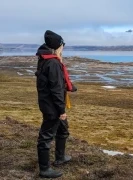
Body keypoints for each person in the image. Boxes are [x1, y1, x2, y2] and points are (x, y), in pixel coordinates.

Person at [35, 30, 77, 178]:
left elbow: (52, 83)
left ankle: (60, 157)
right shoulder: (53, 63)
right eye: (62, 46)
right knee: (45, 137)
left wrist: (68, 86)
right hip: (52, 107)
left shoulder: (47, 59)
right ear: (57, 47)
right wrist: (61, 110)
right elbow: (55, 90)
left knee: (63, 130)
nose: (62, 49)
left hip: (50, 104)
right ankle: (44, 169)